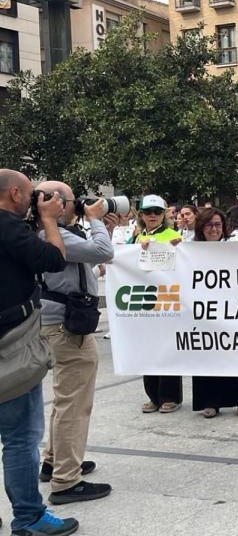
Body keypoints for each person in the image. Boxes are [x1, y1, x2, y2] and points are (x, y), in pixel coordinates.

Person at [0, 170, 80, 536]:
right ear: (14, 194)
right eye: (33, 196)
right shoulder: (7, 226)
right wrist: (49, 220)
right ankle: (29, 518)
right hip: (12, 345)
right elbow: (52, 259)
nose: (35, 203)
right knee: (19, 437)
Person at [31, 181, 114, 507]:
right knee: (75, 403)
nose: (78, 204)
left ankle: (55, 461)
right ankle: (66, 480)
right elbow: (104, 252)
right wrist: (95, 220)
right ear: (54, 203)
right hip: (67, 327)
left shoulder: (50, 233)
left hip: (55, 323)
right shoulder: (54, 234)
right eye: (71, 200)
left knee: (65, 399)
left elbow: (82, 264)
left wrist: (94, 226)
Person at [191, 209, 238, 419]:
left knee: (234, 355)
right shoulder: (188, 249)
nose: (214, 229)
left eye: (218, 224)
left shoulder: (232, 248)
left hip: (231, 311)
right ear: (201, 227)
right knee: (205, 357)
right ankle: (210, 402)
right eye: (209, 225)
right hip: (201, 313)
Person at [128, 195, 185, 413]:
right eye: (148, 212)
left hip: (167, 299)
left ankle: (170, 396)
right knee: (147, 348)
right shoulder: (137, 237)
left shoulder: (174, 235)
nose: (152, 216)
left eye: (157, 212)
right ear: (141, 215)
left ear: (164, 214)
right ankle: (153, 395)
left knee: (167, 348)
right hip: (144, 299)